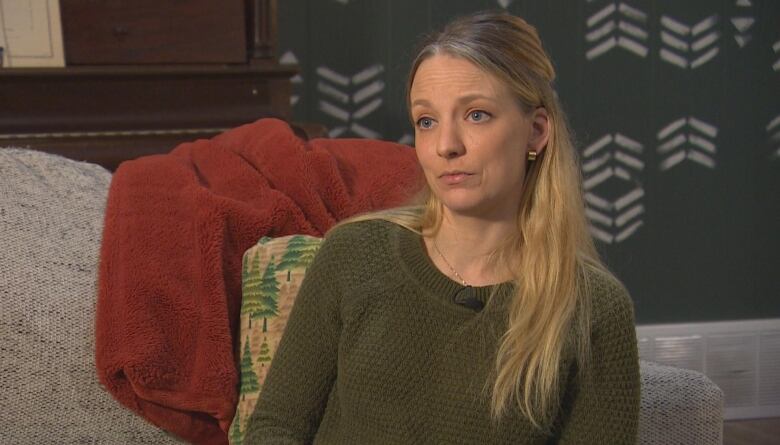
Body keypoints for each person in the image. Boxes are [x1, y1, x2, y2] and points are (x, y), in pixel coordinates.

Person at [245, 10, 639, 444]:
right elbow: (275, 429)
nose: (446, 146)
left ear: (536, 131)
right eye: (426, 122)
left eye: (476, 115)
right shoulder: (354, 254)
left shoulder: (593, 308)